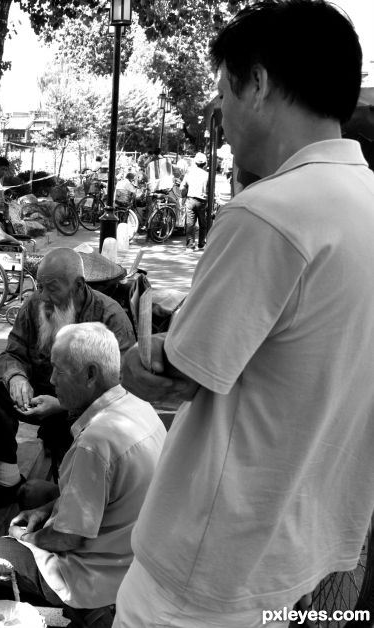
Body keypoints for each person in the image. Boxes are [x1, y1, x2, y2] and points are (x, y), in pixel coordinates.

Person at [116, 2, 374, 627]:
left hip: (209, 570)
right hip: (313, 550)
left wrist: (133, 360)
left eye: (222, 88)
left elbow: (179, 373)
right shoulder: (363, 200)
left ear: (256, 84)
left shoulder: (268, 214)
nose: (219, 111)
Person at [0, 323, 164, 623]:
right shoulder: (138, 406)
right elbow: (103, 494)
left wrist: (28, 539)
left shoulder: (95, 443)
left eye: (60, 370)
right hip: (129, 555)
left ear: (90, 374)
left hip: (94, 576)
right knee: (33, 492)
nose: (51, 379)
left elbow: (69, 539)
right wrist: (48, 509)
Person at [0, 248, 135, 512]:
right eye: (41, 287)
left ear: (79, 285)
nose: (45, 297)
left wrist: (63, 404)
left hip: (81, 407)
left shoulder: (110, 316)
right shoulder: (35, 304)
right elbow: (12, 352)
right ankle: (8, 482)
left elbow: (120, 388)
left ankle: (69, 497)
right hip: (37, 393)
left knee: (73, 455)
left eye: (53, 288)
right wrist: (16, 378)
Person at [180, 153, 210, 250]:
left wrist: (183, 196)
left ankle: (190, 245)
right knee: (203, 224)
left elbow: (182, 187)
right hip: (202, 201)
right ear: (205, 163)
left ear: (195, 162)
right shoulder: (207, 175)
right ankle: (201, 243)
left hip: (190, 200)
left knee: (190, 224)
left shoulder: (189, 173)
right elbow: (210, 190)